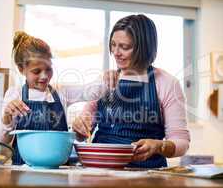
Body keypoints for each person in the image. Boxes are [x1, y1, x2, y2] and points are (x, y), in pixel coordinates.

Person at [72, 14, 190, 168]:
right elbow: (82, 134)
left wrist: (159, 146)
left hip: (147, 174)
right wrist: (79, 127)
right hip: (98, 169)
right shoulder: (105, 81)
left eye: (124, 47)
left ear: (144, 48)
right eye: (113, 45)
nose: (116, 52)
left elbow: (181, 142)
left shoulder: (167, 83)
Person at [0, 32, 109, 165]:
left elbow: (91, 92)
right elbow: (1, 143)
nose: (44, 76)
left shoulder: (61, 92)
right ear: (21, 69)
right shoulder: (15, 94)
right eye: (36, 71)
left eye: (48, 69)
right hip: (23, 168)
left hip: (58, 167)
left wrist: (106, 79)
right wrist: (7, 118)